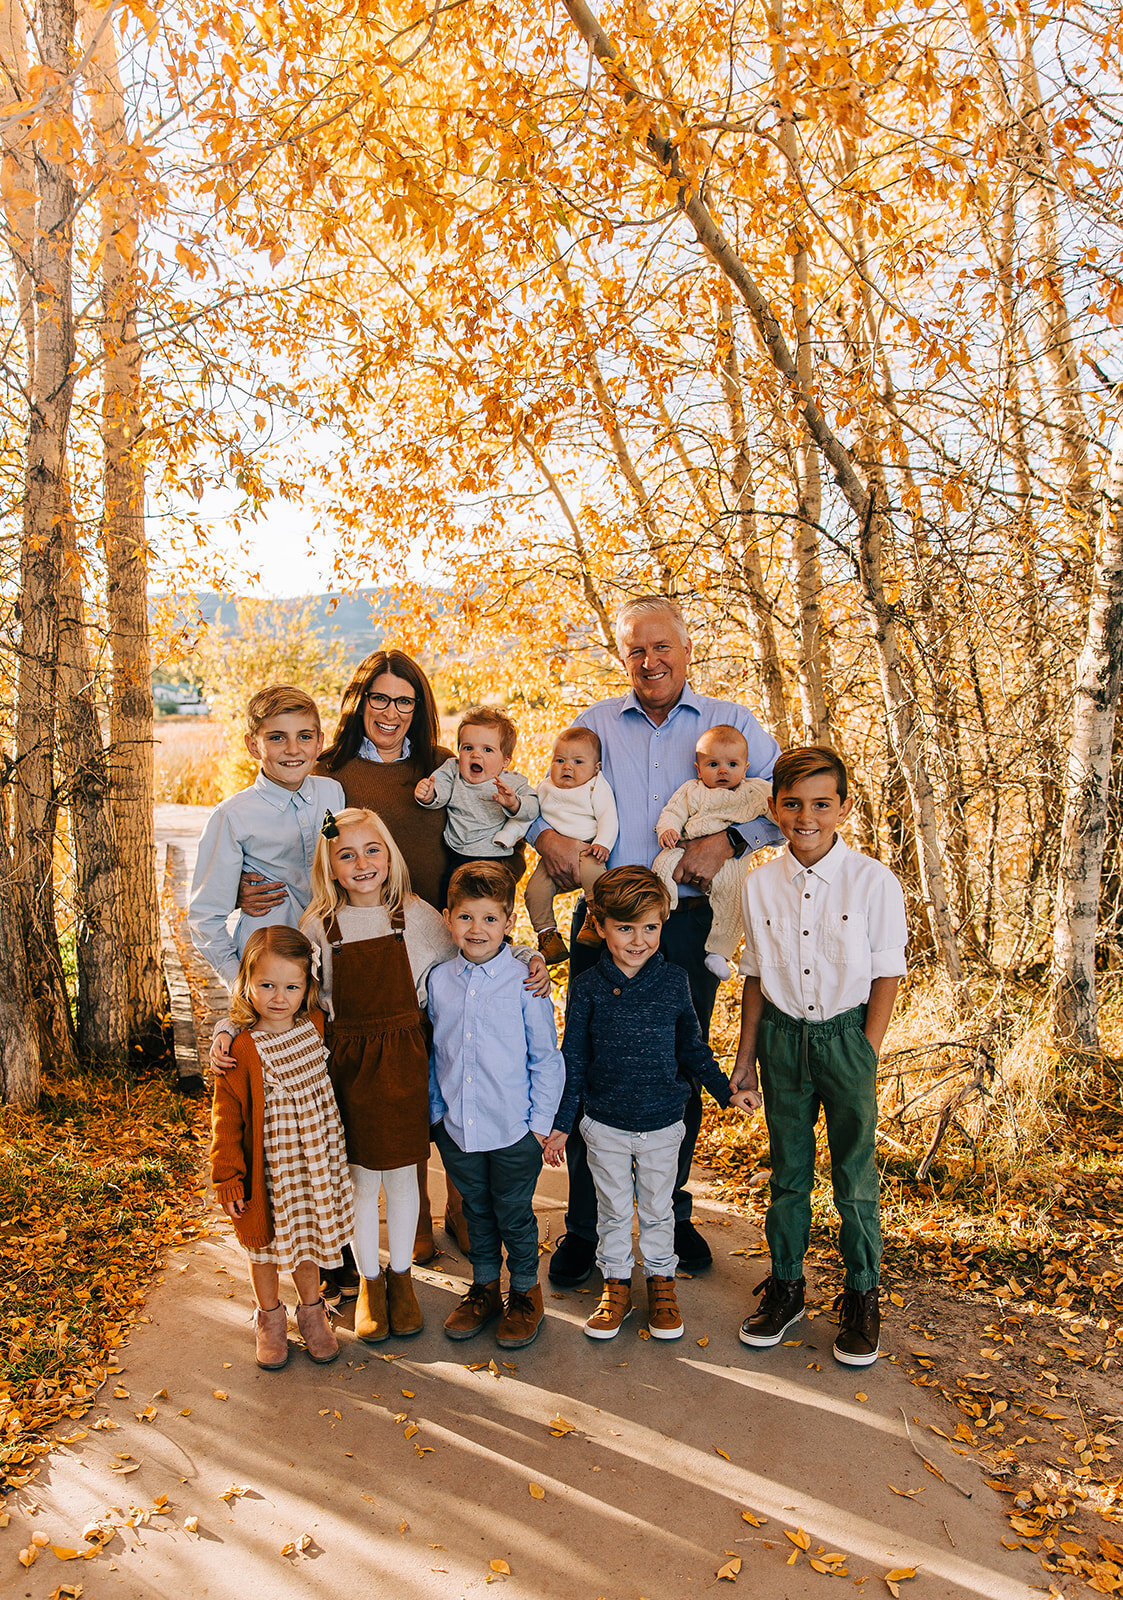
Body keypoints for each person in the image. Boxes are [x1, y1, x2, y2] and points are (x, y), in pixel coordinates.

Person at [528, 596, 780, 1285]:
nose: (649, 661)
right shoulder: (595, 724)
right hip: (601, 919)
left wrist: (729, 839)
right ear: (622, 658)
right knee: (589, 1061)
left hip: (690, 921)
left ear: (687, 648)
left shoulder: (733, 724)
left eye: (661, 646)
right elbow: (542, 798)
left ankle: (670, 1212)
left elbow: (786, 797)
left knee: (678, 1063)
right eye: (636, 650)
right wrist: (544, 838)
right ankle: (583, 1226)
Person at [232, 650, 460, 1264]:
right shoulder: (330, 775)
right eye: (378, 699)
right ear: (359, 706)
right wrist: (241, 889)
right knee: (375, 1107)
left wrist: (480, 913)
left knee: (442, 1084)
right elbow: (280, 843)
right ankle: (405, 1235)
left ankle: (465, 1207)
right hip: (351, 943)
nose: (391, 712)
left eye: (404, 701)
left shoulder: (443, 767)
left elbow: (493, 830)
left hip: (433, 935)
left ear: (421, 709)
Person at [729, 747, 907, 1369]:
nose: (806, 816)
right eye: (793, 803)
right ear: (774, 807)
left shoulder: (873, 881)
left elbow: (887, 970)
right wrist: (745, 1058)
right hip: (781, 1040)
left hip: (845, 1039)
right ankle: (786, 1286)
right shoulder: (758, 883)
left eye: (821, 804)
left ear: (844, 808)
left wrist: (867, 1046)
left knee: (854, 1174)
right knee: (788, 1170)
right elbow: (754, 975)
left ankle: (861, 1294)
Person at [544, 868, 755, 1341]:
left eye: (650, 927)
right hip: (605, 1124)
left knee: (659, 1210)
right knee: (614, 1210)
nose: (638, 940)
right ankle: (615, 1286)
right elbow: (573, 1058)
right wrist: (562, 1125)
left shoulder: (674, 981)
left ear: (663, 923)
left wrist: (726, 1091)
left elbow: (693, 1050)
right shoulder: (589, 987)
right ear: (600, 927)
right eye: (624, 928)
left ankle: (661, 1284)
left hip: (663, 1122)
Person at [429, 862, 565, 1350]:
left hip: (514, 1131)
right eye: (466, 918)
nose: (477, 929)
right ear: (448, 919)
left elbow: (546, 1058)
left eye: (490, 919)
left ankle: (526, 1292)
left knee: (513, 1213)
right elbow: (434, 1051)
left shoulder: (524, 982)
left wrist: (539, 1128)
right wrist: (436, 1118)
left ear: (509, 923)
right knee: (476, 1212)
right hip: (458, 1128)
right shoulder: (439, 982)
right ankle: (484, 1286)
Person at [210, 926, 353, 1369]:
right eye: (266, 985)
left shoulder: (316, 1026)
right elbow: (226, 1122)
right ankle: (270, 1320)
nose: (278, 997)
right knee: (265, 1248)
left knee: (307, 1245)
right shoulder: (241, 1048)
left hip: (313, 1168)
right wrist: (228, 1179)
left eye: (291, 986)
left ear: (308, 985)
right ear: (247, 985)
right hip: (270, 1173)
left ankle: (311, 1315)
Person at [188, 687, 345, 987]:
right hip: (266, 974)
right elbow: (204, 917)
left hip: (327, 965)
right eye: (276, 738)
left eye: (304, 736)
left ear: (320, 742)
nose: (293, 749)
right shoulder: (233, 816)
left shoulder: (332, 794)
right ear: (253, 745)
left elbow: (337, 857)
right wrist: (239, 984)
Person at [652, 725, 772, 981]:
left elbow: (779, 811)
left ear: (746, 767)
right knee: (660, 867)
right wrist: (667, 830)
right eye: (713, 764)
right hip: (683, 847)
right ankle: (661, 912)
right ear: (698, 768)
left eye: (732, 764)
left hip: (729, 860)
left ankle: (720, 952)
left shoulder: (754, 791)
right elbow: (672, 812)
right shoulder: (692, 791)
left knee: (734, 899)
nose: (722, 771)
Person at [414, 706, 538, 904]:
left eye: (487, 750)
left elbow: (533, 807)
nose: (475, 755)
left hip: (494, 859)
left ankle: (497, 933)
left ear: (506, 760)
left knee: (490, 907)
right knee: (451, 903)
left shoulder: (512, 783)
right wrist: (429, 794)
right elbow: (440, 788)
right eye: (468, 748)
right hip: (456, 855)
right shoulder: (452, 771)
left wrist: (514, 803)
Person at [523, 726, 619, 966]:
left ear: (596, 768)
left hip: (589, 848)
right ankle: (547, 935)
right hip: (552, 855)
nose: (567, 767)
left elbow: (608, 816)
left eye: (578, 762)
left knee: (595, 878)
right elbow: (528, 816)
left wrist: (602, 844)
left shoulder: (596, 786)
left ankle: (593, 918)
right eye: (560, 760)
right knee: (534, 891)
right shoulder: (545, 787)